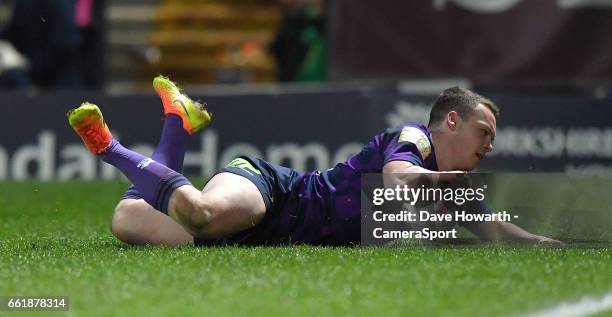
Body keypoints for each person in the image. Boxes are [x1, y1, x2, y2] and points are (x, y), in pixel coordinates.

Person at [67, 76, 563, 246]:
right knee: (200, 215)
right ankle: (108, 146)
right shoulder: (415, 140)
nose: (489, 146)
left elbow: (496, 231)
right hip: (276, 192)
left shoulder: (449, 186)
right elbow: (396, 177)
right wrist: (439, 182)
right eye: (484, 132)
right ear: (451, 121)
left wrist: (549, 242)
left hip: (263, 235)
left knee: (127, 218)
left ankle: (177, 118)